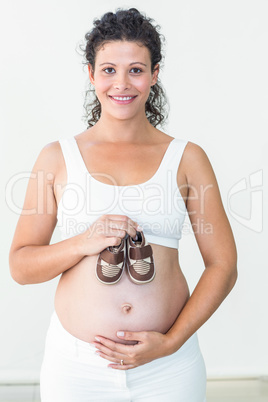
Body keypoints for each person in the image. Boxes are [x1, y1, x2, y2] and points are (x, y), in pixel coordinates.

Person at [9, 8, 237, 402]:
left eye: (136, 69)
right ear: (91, 73)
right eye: (109, 70)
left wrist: (171, 343)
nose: (122, 84)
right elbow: (21, 266)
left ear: (155, 73)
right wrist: (83, 242)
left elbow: (224, 265)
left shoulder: (187, 157)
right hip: (77, 368)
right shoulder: (57, 157)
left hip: (168, 367)